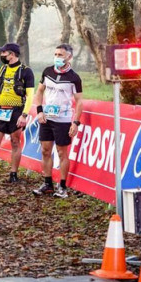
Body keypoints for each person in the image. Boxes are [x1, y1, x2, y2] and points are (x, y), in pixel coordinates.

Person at [32, 44, 83, 198]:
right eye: (55, 54)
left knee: (62, 152)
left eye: (61, 55)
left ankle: (62, 186)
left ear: (69, 57)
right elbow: (39, 91)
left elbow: (79, 102)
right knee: (45, 150)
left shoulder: (74, 77)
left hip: (63, 119)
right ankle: (47, 184)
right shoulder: (47, 71)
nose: (57, 57)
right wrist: (39, 111)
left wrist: (75, 122)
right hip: (47, 118)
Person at [0, 42, 35, 184]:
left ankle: (13, 174)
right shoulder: (1, 70)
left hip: (17, 111)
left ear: (12, 54)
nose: (1, 55)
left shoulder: (25, 71)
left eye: (4, 53)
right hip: (1, 110)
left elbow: (30, 95)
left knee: (15, 142)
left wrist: (24, 115)